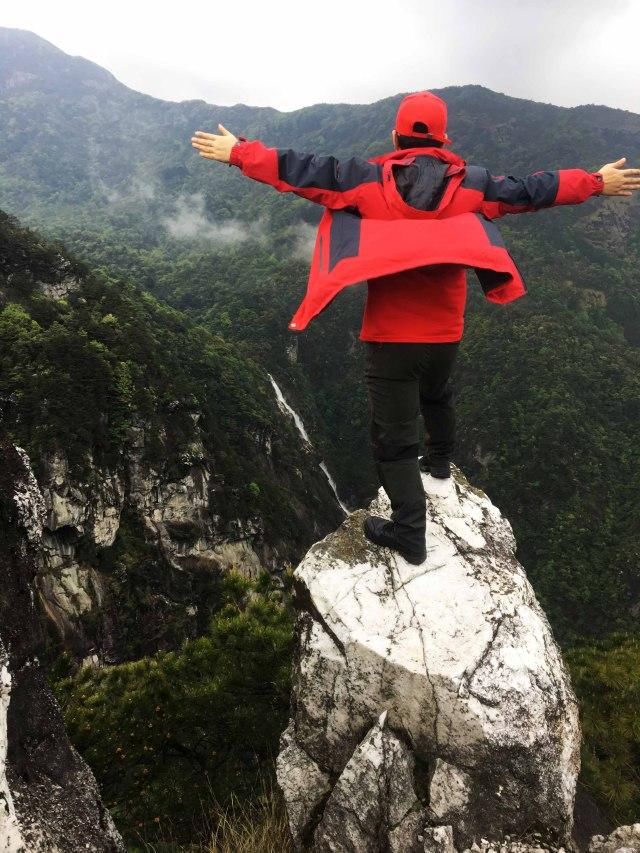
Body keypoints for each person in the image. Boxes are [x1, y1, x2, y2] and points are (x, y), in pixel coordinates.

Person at [191, 91, 640, 566]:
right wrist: (594, 182)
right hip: (445, 333)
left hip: (390, 339)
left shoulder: (364, 179)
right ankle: (440, 462)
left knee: (394, 440)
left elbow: (301, 169)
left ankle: (409, 532)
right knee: (438, 395)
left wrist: (239, 153)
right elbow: (532, 189)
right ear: (445, 139)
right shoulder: (474, 185)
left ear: (395, 137)